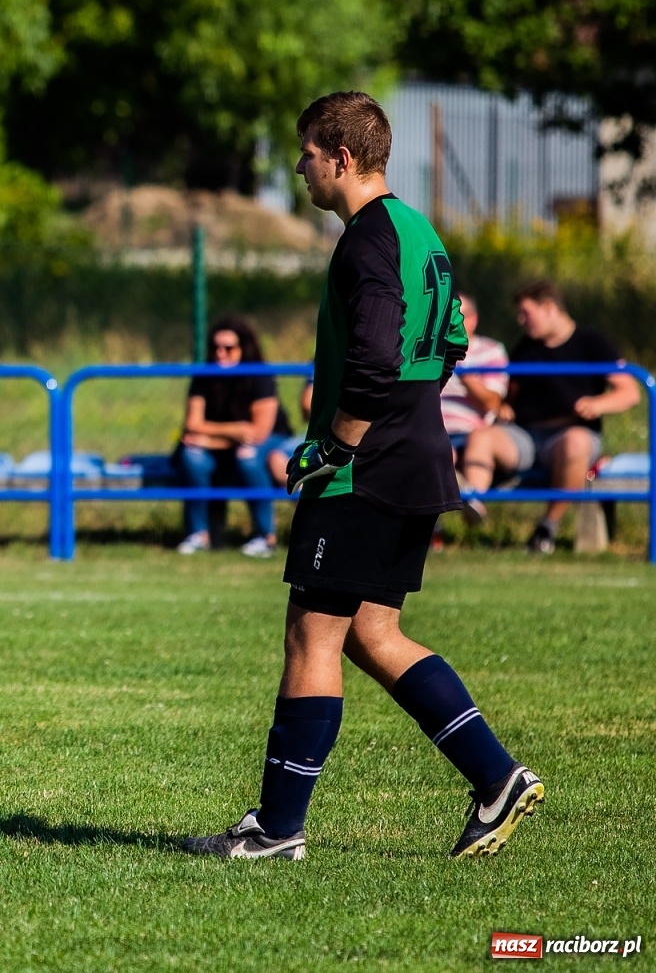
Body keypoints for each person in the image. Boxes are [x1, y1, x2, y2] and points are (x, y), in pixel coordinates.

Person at [183, 91, 541, 861]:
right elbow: (450, 342)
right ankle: (496, 777)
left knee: (312, 636)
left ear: (342, 158)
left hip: (364, 473)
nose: (300, 166)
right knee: (374, 634)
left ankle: (278, 830)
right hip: (418, 458)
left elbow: (377, 356)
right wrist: (402, 414)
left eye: (307, 153)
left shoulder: (365, 242)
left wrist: (335, 446)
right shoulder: (420, 232)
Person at [458, 280, 641, 553]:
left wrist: (598, 403)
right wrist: (505, 405)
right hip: (525, 436)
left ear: (548, 307)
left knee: (575, 444)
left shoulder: (591, 342)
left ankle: (546, 529)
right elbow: (511, 393)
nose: (521, 321)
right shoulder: (526, 347)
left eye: (526, 313)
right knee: (481, 437)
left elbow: (630, 391)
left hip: (569, 434)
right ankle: (473, 502)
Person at [175, 316, 292, 558]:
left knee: (248, 456)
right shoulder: (204, 376)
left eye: (228, 348)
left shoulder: (259, 376)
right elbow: (192, 424)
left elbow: (258, 433)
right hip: (222, 448)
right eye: (215, 347)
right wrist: (236, 430)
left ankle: (265, 536)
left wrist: (212, 437)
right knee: (192, 455)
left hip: (268, 442)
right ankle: (199, 534)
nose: (221, 353)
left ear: (243, 349)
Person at [441, 291, 509, 444]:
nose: (449, 322)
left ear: (473, 319)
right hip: (426, 430)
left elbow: (491, 403)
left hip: (466, 434)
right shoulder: (427, 350)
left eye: (456, 315)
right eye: (445, 315)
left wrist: (461, 370)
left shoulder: (491, 350)